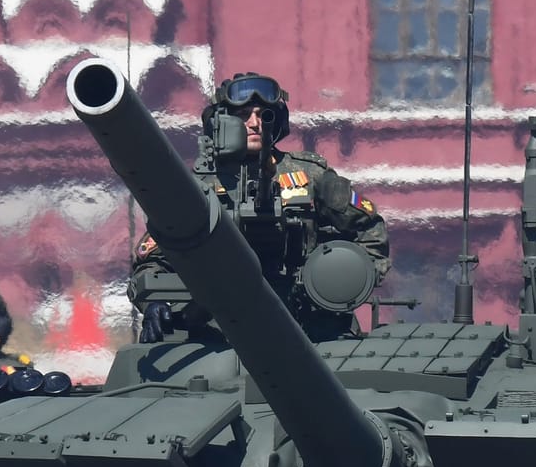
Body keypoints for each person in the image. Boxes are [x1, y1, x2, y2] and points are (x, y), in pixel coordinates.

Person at [132, 72, 389, 341]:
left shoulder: (311, 175)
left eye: (263, 114)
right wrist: (156, 303)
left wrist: (341, 287)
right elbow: (152, 260)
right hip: (216, 334)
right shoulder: (195, 189)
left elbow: (371, 231)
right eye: (244, 115)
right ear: (222, 121)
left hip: (310, 329)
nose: (255, 124)